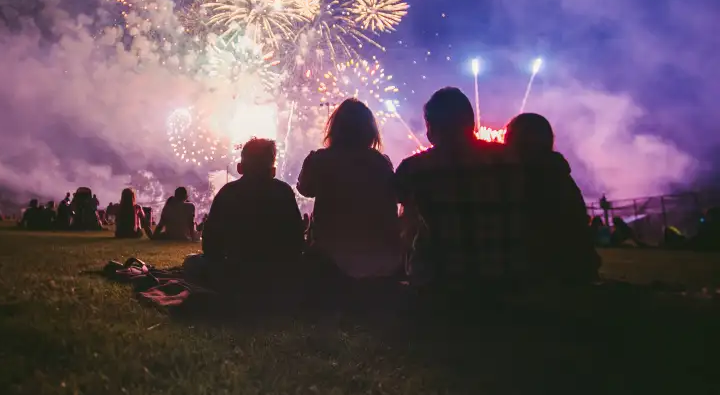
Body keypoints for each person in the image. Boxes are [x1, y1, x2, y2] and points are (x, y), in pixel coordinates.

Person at [395, 87, 528, 293]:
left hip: (438, 283)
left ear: (431, 126)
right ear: (471, 122)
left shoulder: (413, 168)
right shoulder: (507, 159)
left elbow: (397, 216)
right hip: (503, 280)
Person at [297, 98, 402, 282]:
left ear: (335, 128)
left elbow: (304, 188)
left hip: (331, 262)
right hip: (379, 263)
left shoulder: (320, 160)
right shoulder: (380, 162)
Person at [198, 138, 305, 299]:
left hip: (235, 273)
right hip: (278, 277)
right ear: (272, 168)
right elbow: (296, 242)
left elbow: (210, 244)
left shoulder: (228, 192)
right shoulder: (283, 191)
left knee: (192, 264)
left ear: (241, 167)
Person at [504, 112, 600, 284]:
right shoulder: (559, 175)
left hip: (544, 278)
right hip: (574, 274)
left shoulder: (524, 180)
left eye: (509, 136)